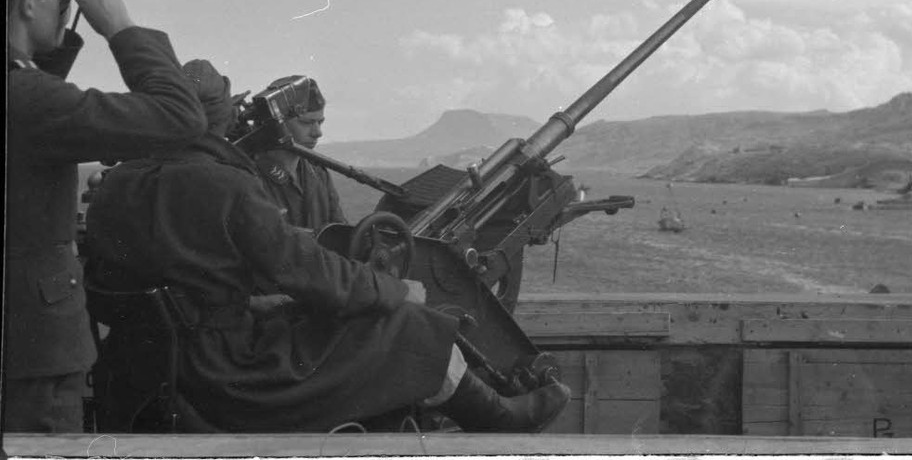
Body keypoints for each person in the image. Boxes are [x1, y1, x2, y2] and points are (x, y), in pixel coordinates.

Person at [83, 60, 570, 433]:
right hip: (223, 373)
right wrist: (397, 290)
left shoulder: (116, 185)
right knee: (407, 324)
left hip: (140, 368)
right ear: (214, 122)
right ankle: (499, 417)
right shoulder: (226, 186)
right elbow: (309, 271)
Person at [4, 0, 208, 433]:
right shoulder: (27, 100)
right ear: (30, 0)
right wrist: (119, 25)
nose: (64, 3)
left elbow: (37, 96)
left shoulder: (25, 93)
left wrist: (59, 26)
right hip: (34, 358)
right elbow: (179, 117)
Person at [250, 75, 346, 232]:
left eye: (320, 122)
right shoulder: (251, 176)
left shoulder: (318, 174)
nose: (318, 132)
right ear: (277, 125)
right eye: (306, 123)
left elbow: (338, 231)